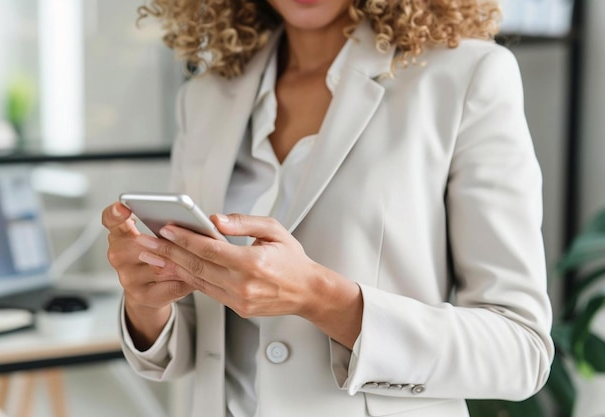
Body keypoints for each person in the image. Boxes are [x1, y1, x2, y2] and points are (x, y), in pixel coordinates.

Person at [101, 1, 554, 416]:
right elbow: (193, 345)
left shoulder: (467, 77)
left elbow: (521, 351)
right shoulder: (205, 97)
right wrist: (147, 299)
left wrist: (318, 297)